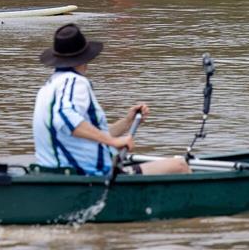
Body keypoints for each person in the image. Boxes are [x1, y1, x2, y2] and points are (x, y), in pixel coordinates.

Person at [33, 23, 190, 176]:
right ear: (84, 58)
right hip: (89, 174)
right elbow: (65, 117)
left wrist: (127, 121)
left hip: (57, 173)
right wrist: (113, 143)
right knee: (180, 165)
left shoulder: (49, 86)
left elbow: (90, 133)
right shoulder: (75, 81)